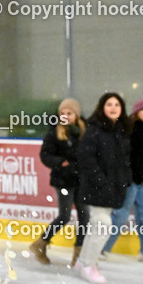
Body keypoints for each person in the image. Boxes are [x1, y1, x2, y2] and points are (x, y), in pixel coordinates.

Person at [101, 98, 143, 262]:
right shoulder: (129, 130)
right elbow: (124, 155)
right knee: (119, 216)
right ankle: (99, 247)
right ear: (136, 112)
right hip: (129, 181)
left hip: (141, 182)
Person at [73, 92, 132, 284]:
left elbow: (123, 161)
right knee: (103, 225)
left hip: (113, 189)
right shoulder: (94, 130)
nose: (113, 108)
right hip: (95, 188)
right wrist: (101, 182)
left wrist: (124, 181)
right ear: (102, 107)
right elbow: (85, 158)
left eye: (117, 105)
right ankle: (89, 265)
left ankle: (83, 262)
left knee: (98, 227)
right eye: (109, 104)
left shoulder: (121, 131)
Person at [31, 99, 87, 267]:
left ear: (76, 115)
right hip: (63, 180)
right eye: (62, 113)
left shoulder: (85, 131)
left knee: (85, 216)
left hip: (81, 179)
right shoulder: (54, 133)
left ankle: (79, 254)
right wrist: (61, 162)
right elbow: (45, 155)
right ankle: (40, 244)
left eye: (69, 113)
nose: (65, 116)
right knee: (64, 215)